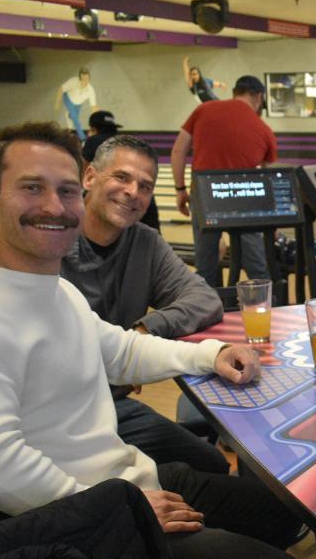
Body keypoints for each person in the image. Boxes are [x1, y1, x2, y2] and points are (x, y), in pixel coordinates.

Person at [0, 121, 303, 557]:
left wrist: (214, 354)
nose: (54, 207)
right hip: (76, 520)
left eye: (66, 191)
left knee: (286, 510)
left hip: (124, 482)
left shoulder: (57, 290)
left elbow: (122, 349)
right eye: (32, 188)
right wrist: (122, 510)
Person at [62, 134, 227, 475]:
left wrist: (143, 331)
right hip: (59, 417)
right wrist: (122, 361)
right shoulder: (54, 240)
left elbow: (205, 300)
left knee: (210, 464)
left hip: (113, 408)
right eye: (121, 177)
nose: (133, 192)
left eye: (145, 186)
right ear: (89, 177)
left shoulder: (144, 243)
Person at [171, 75, 277, 287]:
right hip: (244, 198)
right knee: (257, 266)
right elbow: (269, 178)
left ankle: (210, 312)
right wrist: (272, 221)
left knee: (206, 266)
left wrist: (180, 189)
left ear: (235, 93)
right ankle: (267, 308)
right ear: (258, 97)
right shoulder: (264, 129)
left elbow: (178, 150)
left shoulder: (204, 109)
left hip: (205, 193)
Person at [82, 112, 159, 232]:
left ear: (93, 129)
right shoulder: (124, 143)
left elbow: (83, 169)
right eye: (121, 177)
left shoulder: (92, 141)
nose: (132, 192)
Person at [56, 67, 98, 142]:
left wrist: (98, 119)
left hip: (78, 103)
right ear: (79, 78)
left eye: (87, 79)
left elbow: (93, 106)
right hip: (68, 98)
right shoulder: (73, 81)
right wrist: (57, 102)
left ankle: (68, 115)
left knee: (72, 117)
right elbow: (61, 89)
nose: (85, 81)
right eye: (83, 79)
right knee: (76, 120)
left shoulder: (90, 90)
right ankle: (83, 138)